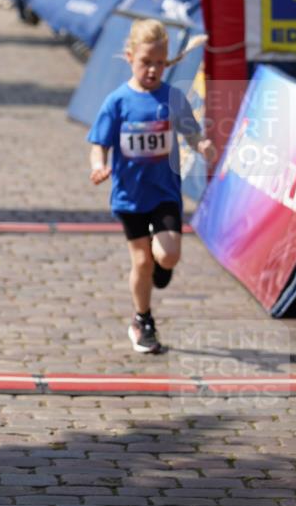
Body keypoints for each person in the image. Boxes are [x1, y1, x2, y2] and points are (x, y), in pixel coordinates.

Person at [88, 19, 215, 354]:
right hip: (130, 197)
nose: (153, 70)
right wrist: (99, 166)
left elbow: (191, 131)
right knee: (142, 263)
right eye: (146, 62)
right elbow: (98, 142)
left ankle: (162, 267)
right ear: (130, 57)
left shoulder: (172, 97)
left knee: (168, 257)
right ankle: (142, 320)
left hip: (164, 194)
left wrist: (202, 145)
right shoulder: (117, 102)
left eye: (160, 63)